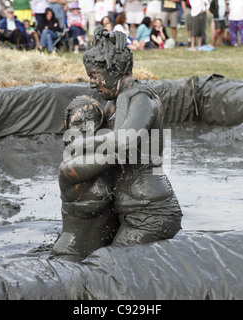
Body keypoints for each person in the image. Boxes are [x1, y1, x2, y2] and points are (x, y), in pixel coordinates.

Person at [69, 25, 183, 247]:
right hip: (129, 209)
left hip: (151, 213)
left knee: (114, 265)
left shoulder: (141, 98)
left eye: (95, 76)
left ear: (114, 70)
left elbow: (123, 141)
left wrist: (78, 144)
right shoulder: (115, 99)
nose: (92, 83)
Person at [49, 95, 119, 262]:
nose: (85, 129)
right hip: (69, 257)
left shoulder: (106, 165)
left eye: (92, 122)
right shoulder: (69, 168)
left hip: (100, 260)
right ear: (68, 128)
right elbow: (121, 151)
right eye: (78, 123)